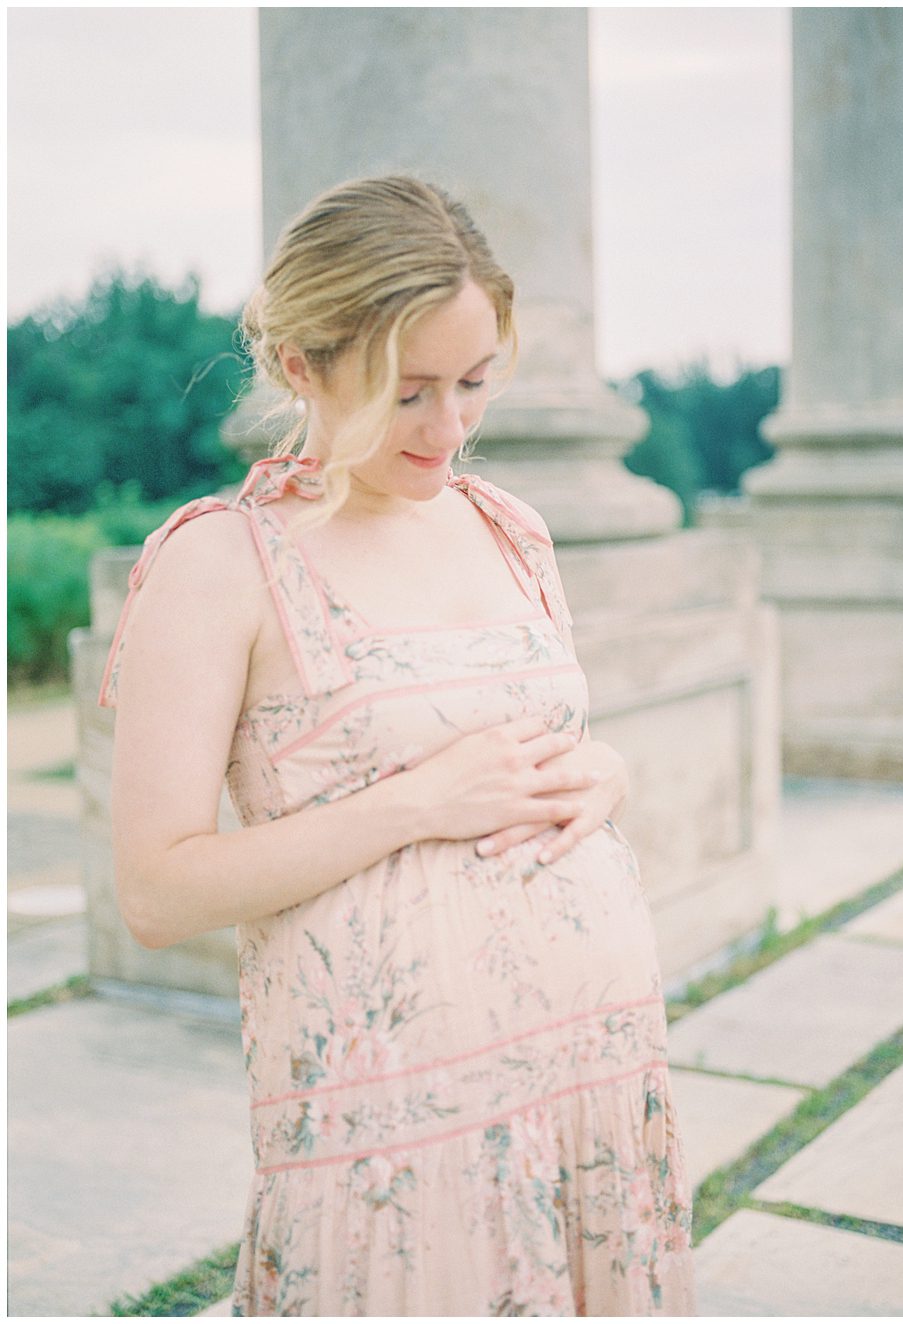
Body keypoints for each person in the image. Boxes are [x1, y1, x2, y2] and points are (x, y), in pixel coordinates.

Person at [98, 175, 698, 1317]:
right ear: (301, 368)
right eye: (407, 391)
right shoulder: (219, 564)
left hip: (592, 1090)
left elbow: (527, 749)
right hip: (392, 1146)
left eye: (473, 382)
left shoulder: (509, 525)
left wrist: (603, 771)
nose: (450, 427)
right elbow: (155, 889)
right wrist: (412, 805)